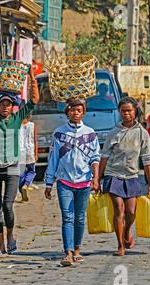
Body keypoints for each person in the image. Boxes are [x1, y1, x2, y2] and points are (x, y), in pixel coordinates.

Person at [0, 60, 39, 256]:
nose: (5, 107)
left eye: (8, 104)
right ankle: (1, 246)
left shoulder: (17, 118)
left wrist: (31, 77)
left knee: (7, 204)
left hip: (13, 167)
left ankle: (11, 237)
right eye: (2, 104)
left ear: (13, 107)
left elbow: (34, 101)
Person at [44, 98, 100, 266]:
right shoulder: (59, 133)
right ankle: (67, 252)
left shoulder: (90, 134)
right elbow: (53, 158)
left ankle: (77, 249)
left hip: (84, 181)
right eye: (72, 110)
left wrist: (95, 179)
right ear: (67, 111)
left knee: (80, 217)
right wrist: (49, 182)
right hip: (64, 181)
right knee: (67, 217)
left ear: (83, 113)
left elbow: (95, 158)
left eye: (79, 110)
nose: (75, 113)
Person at [99, 97, 150, 257]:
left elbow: (147, 158)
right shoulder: (113, 132)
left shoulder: (142, 133)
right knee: (119, 209)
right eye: (123, 111)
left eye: (129, 111)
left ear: (135, 111)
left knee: (131, 212)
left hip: (132, 175)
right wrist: (97, 179)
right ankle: (120, 245)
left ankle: (127, 231)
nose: (126, 114)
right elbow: (104, 156)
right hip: (113, 174)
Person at [18, 114, 38, 202]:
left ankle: (22, 192)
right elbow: (35, 140)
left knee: (21, 174)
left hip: (19, 152)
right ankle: (26, 184)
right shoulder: (32, 125)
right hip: (30, 151)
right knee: (31, 171)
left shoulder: (17, 125)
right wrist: (36, 153)